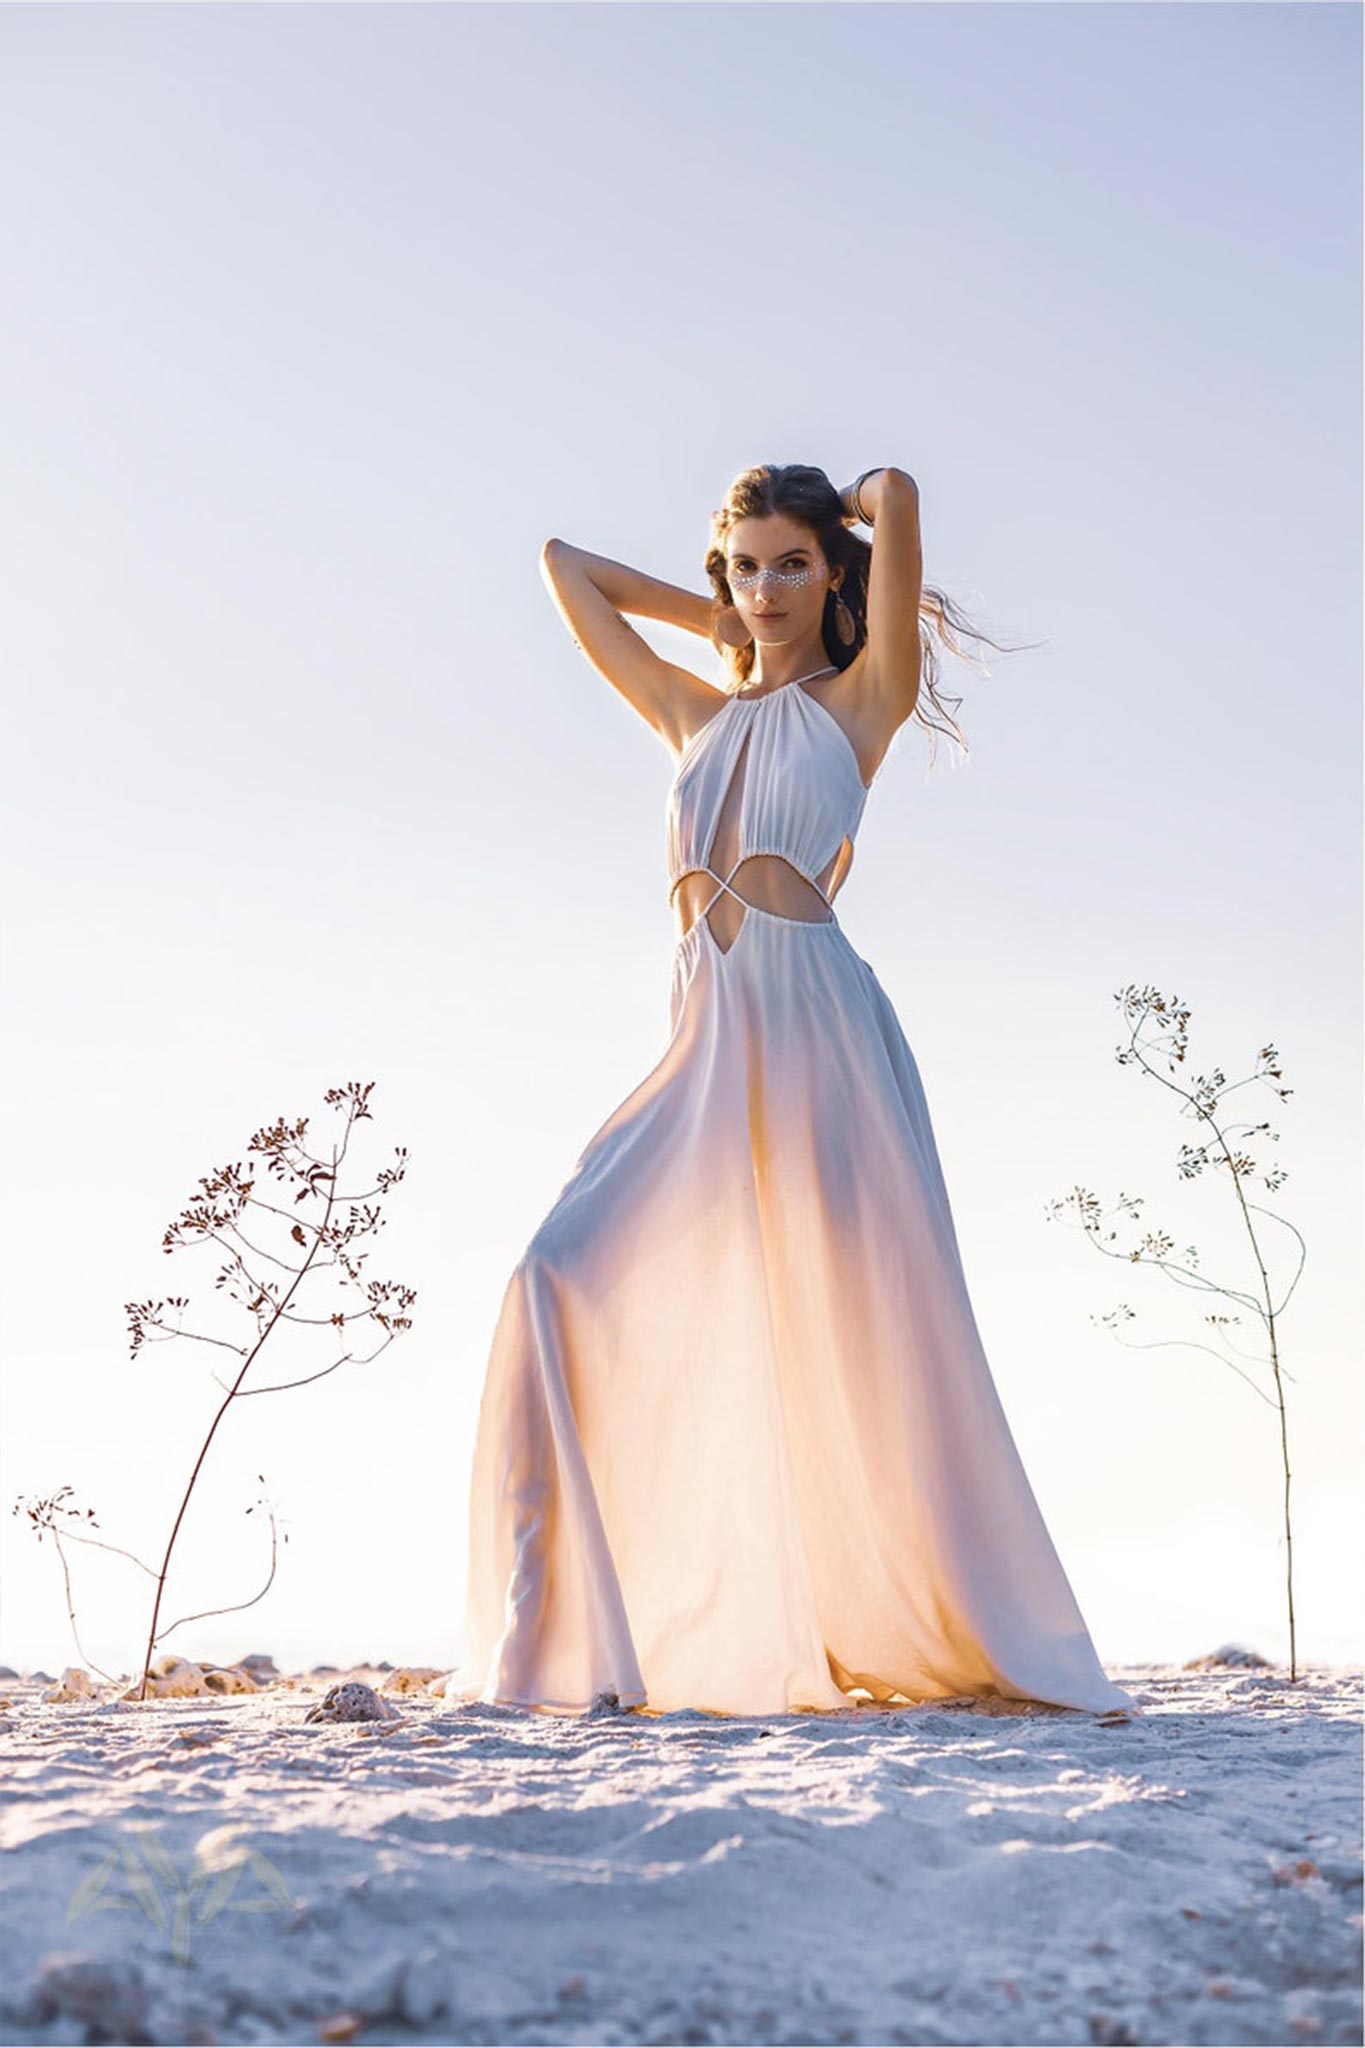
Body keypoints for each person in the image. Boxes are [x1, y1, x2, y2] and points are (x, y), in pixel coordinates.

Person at [443, 462, 1137, 1720]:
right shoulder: (691, 717)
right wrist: (705, 613)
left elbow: (905, 496)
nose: (766, 590)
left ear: (833, 574)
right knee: (558, 1269)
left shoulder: (864, 701)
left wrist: (871, 497)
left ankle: (912, 1607)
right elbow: (567, 567)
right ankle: (558, 1641)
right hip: (706, 1041)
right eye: (746, 565)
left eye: (792, 565)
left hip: (819, 1036)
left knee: (864, 1332)